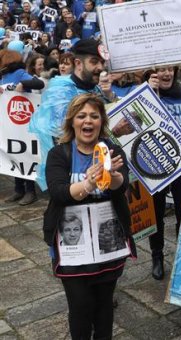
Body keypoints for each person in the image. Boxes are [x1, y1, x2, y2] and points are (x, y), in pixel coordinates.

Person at [44, 93, 134, 340]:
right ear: (72, 121)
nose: (88, 121)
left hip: (108, 243)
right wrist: (89, 184)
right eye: (82, 116)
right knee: (80, 307)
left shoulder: (112, 149)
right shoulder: (59, 154)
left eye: (94, 116)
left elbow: (121, 183)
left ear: (101, 121)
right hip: (73, 246)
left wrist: (111, 176)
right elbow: (59, 192)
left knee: (105, 306)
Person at [28, 38, 116, 190]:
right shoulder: (60, 91)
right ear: (78, 63)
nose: (100, 68)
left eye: (102, 63)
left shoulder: (95, 89)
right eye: (94, 62)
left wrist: (110, 97)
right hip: (69, 174)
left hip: (98, 171)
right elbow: (64, 135)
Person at [145, 65, 181, 280]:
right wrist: (146, 94)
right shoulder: (148, 92)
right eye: (161, 70)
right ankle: (157, 255)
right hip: (157, 164)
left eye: (169, 70)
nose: (166, 74)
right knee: (157, 213)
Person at [0, 49, 45, 205]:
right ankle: (18, 190)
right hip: (9, 125)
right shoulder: (2, 77)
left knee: (25, 156)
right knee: (14, 156)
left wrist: (23, 83)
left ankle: (30, 191)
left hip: (24, 124)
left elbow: (38, 83)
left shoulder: (19, 73)